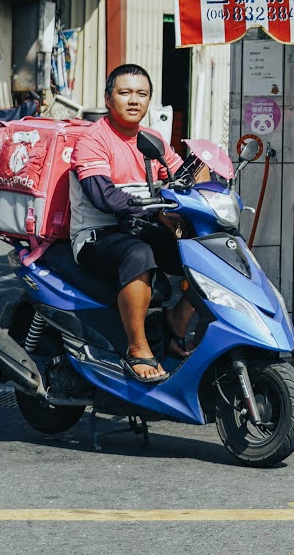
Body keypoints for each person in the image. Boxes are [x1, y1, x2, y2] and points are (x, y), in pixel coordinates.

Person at [69, 63, 194, 383]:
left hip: (142, 228)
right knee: (139, 255)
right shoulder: (93, 140)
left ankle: (177, 320)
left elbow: (181, 177)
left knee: (207, 249)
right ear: (108, 99)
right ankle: (137, 349)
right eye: (125, 93)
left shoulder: (152, 139)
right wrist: (156, 212)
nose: (134, 100)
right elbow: (104, 196)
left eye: (142, 94)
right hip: (97, 235)